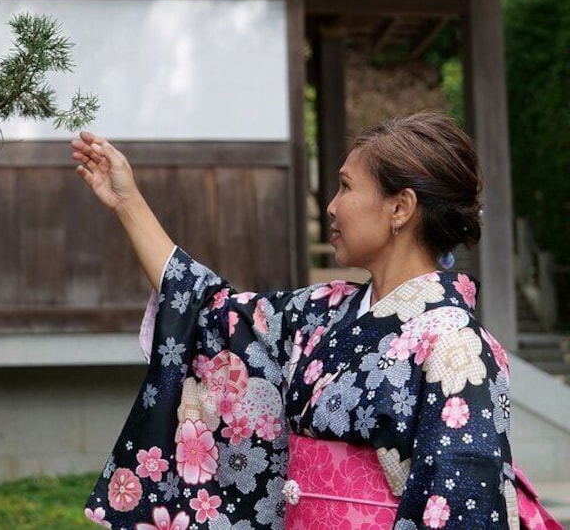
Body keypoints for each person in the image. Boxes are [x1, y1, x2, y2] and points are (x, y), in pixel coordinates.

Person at [72, 112, 560, 530]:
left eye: (346, 187)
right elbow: (212, 310)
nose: (331, 205)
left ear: (401, 207)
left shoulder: (456, 345)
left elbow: (460, 507)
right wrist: (128, 202)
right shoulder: (322, 311)